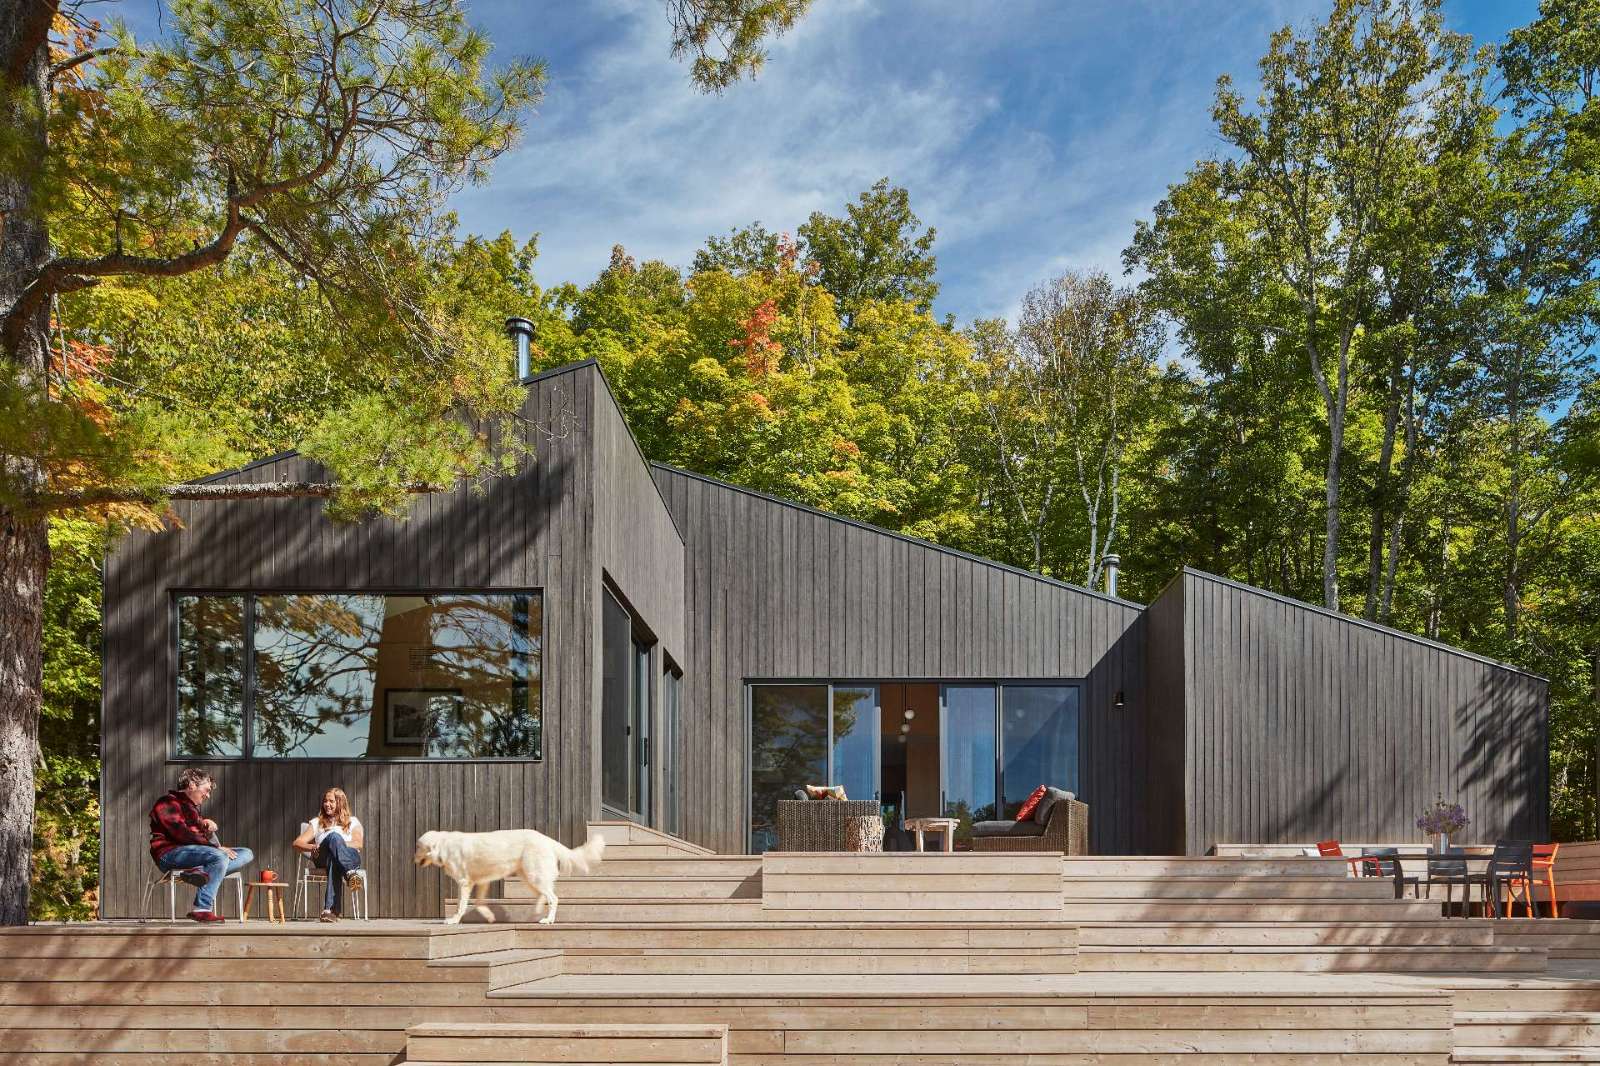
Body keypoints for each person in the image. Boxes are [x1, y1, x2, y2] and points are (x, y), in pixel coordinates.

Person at [148, 767, 254, 924]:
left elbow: (205, 841)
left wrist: (207, 829)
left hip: (199, 856)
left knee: (246, 853)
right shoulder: (167, 802)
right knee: (219, 856)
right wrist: (216, 849)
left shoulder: (194, 811)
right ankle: (202, 909)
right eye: (206, 790)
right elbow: (180, 833)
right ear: (191, 785)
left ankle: (198, 872)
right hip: (170, 854)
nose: (208, 795)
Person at [293, 787, 365, 922]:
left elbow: (358, 843)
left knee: (335, 853)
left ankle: (330, 911)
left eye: (331, 801)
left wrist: (337, 846)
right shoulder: (317, 822)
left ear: (340, 803)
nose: (327, 804)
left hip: (350, 856)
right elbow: (297, 843)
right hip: (322, 857)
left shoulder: (353, 821)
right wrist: (313, 846)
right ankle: (350, 873)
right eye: (325, 801)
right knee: (333, 837)